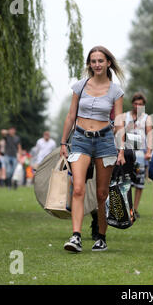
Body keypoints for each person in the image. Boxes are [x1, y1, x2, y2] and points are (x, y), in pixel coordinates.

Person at [60, 45, 125, 253]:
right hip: (80, 139)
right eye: (93, 61)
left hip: (105, 141)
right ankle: (76, 236)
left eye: (100, 61)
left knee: (102, 193)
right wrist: (63, 142)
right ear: (89, 64)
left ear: (108, 63)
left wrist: (122, 148)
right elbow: (71, 116)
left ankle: (101, 236)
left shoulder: (116, 90)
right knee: (78, 188)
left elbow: (120, 122)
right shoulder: (79, 86)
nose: (97, 64)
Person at [124, 92, 153, 218]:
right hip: (127, 151)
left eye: (140, 104)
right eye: (135, 104)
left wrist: (149, 151)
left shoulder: (147, 118)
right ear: (132, 104)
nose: (137, 106)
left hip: (140, 152)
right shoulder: (125, 116)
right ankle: (127, 207)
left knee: (139, 182)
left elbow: (150, 134)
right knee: (127, 181)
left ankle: (135, 209)